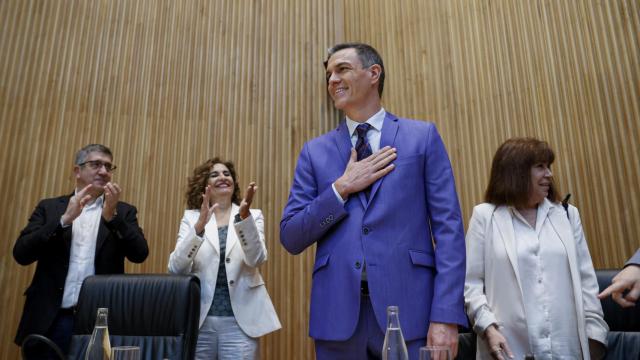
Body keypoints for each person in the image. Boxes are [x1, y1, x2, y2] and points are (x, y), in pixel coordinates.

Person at [280, 42, 467, 360]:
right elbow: (292, 235)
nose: (332, 80)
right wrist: (341, 188)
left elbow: (449, 231)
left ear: (373, 74)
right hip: (337, 319)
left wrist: (446, 315)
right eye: (328, 75)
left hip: (411, 313)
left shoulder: (421, 137)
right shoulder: (314, 152)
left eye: (342, 69)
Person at [464, 137, 608, 360]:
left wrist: (595, 340)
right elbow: (471, 285)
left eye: (548, 167)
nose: (549, 174)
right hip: (509, 350)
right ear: (516, 172)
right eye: (540, 167)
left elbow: (587, 284)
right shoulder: (485, 217)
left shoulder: (568, 215)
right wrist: (488, 329)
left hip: (569, 350)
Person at [13, 144, 149, 358]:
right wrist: (64, 220)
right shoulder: (50, 208)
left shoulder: (123, 211)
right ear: (77, 171)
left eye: (108, 166)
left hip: (100, 324)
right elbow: (21, 254)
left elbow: (140, 254)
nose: (104, 171)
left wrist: (113, 217)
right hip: (51, 318)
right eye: (96, 164)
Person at [168, 158, 281, 360]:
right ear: (205, 185)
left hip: (241, 323)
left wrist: (244, 219)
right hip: (199, 321)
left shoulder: (252, 215)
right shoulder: (191, 218)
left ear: (234, 182)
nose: (222, 177)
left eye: (227, 173)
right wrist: (199, 228)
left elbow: (256, 259)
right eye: (215, 174)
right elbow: (176, 268)